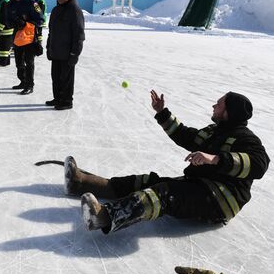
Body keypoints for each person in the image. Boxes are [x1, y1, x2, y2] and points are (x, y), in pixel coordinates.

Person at [64, 91, 270, 234]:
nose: (214, 106)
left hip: (221, 201)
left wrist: (216, 159)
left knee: (163, 193)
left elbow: (260, 164)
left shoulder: (245, 138)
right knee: (148, 181)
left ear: (228, 112)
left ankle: (104, 217)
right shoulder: (214, 131)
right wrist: (162, 113)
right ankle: (80, 182)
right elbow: (187, 136)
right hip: (201, 186)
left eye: (219, 104)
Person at [46, 0, 85, 110]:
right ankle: (58, 98)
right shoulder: (56, 10)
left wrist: (75, 54)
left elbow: (79, 35)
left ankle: (67, 101)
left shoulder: (75, 10)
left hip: (68, 53)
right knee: (56, 78)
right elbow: (51, 31)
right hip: (56, 51)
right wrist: (48, 47)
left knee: (66, 79)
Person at [7, 0, 44, 95]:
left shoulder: (32, 3)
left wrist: (25, 24)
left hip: (30, 38)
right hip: (17, 38)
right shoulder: (10, 4)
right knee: (19, 62)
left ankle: (29, 85)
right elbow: (7, 20)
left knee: (29, 62)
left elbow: (40, 20)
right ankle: (23, 81)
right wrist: (14, 24)